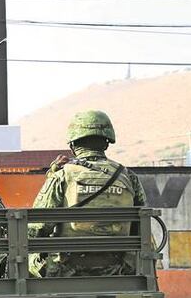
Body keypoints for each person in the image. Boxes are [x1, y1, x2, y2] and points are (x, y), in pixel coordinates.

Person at [28, 110, 147, 277]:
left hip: (67, 269)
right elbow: (142, 223)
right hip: (119, 268)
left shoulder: (63, 175)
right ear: (106, 144)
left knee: (24, 258)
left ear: (73, 146)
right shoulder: (128, 176)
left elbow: (38, 226)